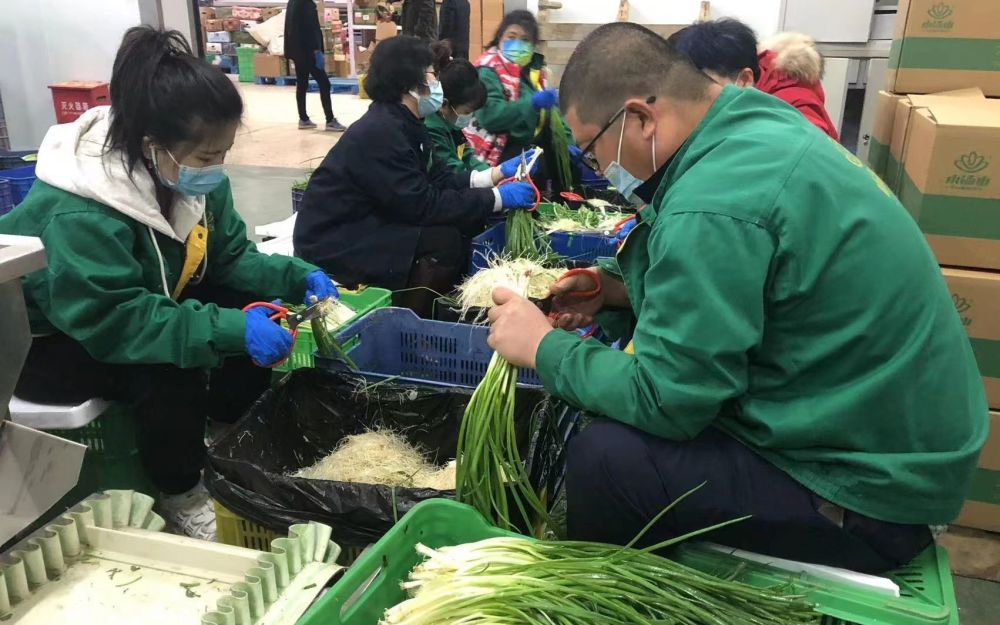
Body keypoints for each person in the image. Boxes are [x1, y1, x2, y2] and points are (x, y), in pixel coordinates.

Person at [484, 23, 987, 573]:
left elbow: (668, 401)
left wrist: (542, 348)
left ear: (640, 118)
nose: (600, 169)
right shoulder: (753, 125)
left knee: (606, 458)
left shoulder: (714, 202)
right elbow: (749, 290)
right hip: (885, 440)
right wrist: (619, 293)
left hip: (867, 492)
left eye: (592, 148)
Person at [0, 27, 340, 540]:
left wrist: (296, 276)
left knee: (248, 306)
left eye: (223, 154)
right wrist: (227, 330)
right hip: (45, 346)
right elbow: (119, 321)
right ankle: (183, 493)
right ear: (151, 146)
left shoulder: (186, 182)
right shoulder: (79, 211)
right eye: (206, 158)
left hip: (128, 313)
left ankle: (230, 437)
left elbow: (228, 259)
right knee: (170, 363)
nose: (217, 169)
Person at [293, 36, 536, 317]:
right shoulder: (383, 131)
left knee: (455, 228)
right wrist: (496, 199)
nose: (437, 82)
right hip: (335, 239)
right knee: (442, 241)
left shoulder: (407, 123)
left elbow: (438, 177)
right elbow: (421, 205)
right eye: (432, 74)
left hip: (369, 219)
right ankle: (410, 321)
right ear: (410, 83)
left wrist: (493, 176)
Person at [668, 19, 839, 140]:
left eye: (701, 88)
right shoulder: (743, 80)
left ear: (744, 79)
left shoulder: (792, 105)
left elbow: (802, 160)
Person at [464, 10, 571, 194]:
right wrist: (531, 103)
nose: (517, 44)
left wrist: (569, 143)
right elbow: (490, 116)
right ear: (500, 37)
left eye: (525, 40)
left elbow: (554, 116)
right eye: (511, 37)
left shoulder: (535, 72)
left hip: (532, 156)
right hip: (499, 159)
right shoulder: (488, 70)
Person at [425, 42, 491, 173]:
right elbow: (452, 169)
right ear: (444, 104)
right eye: (467, 111)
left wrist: (495, 173)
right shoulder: (432, 130)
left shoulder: (451, 126)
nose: (470, 116)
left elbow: (466, 156)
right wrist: (488, 179)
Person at [284, 0, 346, 131]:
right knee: (324, 83)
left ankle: (303, 118)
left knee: (302, 83)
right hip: (308, 52)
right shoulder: (306, 4)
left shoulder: (293, 2)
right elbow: (310, 28)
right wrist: (316, 50)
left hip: (297, 51)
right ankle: (330, 120)